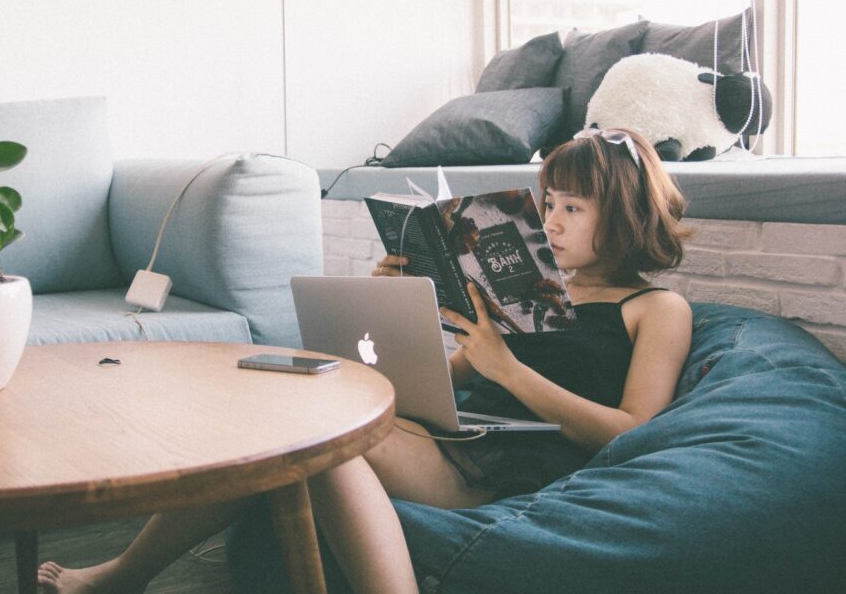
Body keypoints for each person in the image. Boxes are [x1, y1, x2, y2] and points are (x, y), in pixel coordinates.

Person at [38, 127, 693, 593]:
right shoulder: (533, 287)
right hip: (457, 437)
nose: (550, 221)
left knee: (325, 444)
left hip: (509, 472)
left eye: (572, 208)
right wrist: (400, 308)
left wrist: (508, 369)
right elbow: (442, 384)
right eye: (548, 203)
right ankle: (127, 574)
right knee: (283, 420)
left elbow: (633, 429)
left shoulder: (655, 309)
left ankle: (124, 577)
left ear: (628, 214)